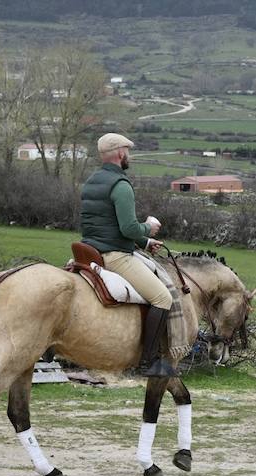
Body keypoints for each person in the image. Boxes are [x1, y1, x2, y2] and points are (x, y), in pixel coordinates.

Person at [80, 133, 176, 377]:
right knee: (163, 298)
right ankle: (148, 361)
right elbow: (128, 228)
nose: (129, 156)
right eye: (128, 151)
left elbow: (106, 222)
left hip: (89, 251)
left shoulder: (91, 181)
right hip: (114, 256)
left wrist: (145, 242)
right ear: (121, 153)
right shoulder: (120, 185)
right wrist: (148, 227)